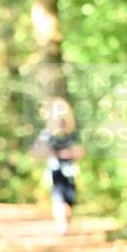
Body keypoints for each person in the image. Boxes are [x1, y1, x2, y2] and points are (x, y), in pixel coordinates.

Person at [32, 98, 84, 234]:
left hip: (70, 172)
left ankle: (65, 223)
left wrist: (67, 153)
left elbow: (81, 151)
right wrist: (52, 153)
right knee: (58, 199)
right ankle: (62, 226)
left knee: (69, 201)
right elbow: (36, 151)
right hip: (55, 172)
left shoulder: (73, 135)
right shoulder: (47, 135)